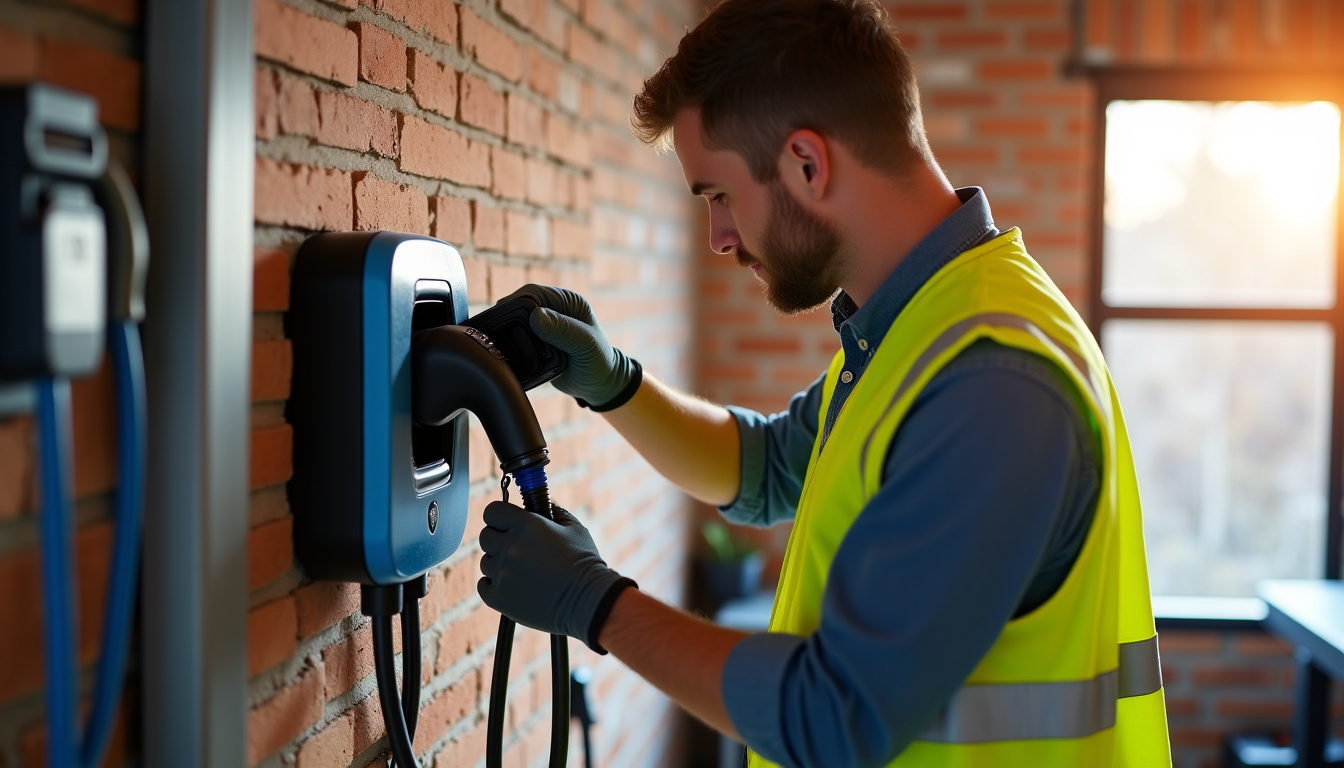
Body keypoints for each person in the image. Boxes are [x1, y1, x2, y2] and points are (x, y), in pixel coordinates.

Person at [475, 0, 1172, 765]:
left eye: (719, 196)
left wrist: (596, 604)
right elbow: (769, 469)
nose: (719, 238)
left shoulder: (994, 385)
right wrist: (612, 384)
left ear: (808, 163)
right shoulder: (917, 327)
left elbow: (832, 717)